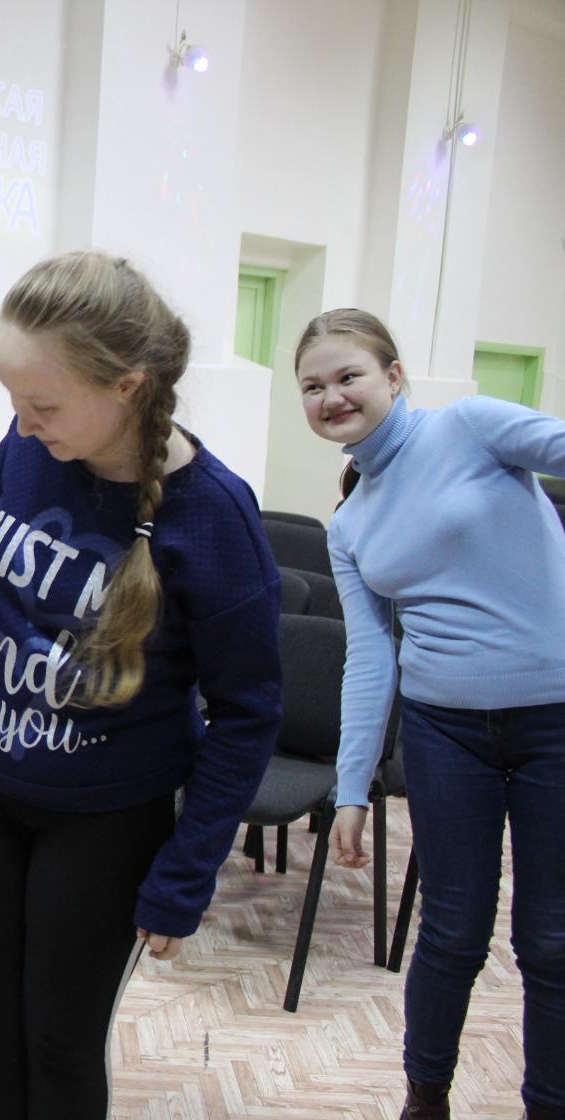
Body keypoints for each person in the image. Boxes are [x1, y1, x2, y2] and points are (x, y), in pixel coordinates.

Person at [0, 251, 282, 1119]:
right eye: (13, 401)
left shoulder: (213, 519)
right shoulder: (38, 443)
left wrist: (187, 873)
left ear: (127, 386)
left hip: (105, 820)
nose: (22, 423)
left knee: (59, 1043)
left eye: (42, 404)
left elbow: (247, 715)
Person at [297, 309, 565, 1120]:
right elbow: (371, 659)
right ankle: (426, 1099)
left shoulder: (472, 427)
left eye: (348, 376)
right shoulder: (350, 524)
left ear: (394, 376)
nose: (332, 397)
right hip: (445, 731)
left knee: (551, 941)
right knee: (451, 931)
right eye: (312, 386)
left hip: (554, 722)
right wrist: (351, 787)